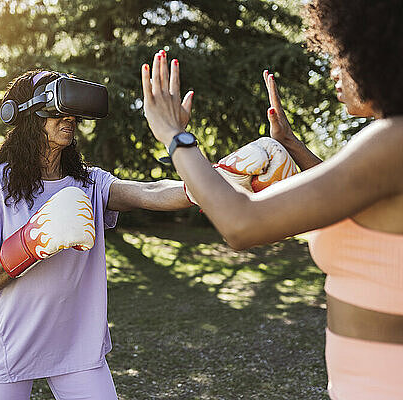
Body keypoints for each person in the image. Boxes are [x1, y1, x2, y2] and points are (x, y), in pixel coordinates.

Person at [140, 0, 403, 398]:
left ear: (379, 52)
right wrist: (290, 143)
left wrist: (175, 136)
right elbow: (355, 200)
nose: (335, 69)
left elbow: (243, 224)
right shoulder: (388, 149)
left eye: (341, 54)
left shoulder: (393, 143)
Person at [0, 69, 197, 400]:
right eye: (56, 108)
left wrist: (217, 180)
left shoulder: (89, 183)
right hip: (10, 348)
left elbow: (151, 192)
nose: (67, 117)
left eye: (71, 109)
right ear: (26, 114)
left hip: (77, 348)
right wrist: (31, 242)